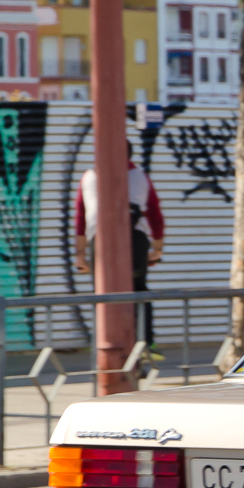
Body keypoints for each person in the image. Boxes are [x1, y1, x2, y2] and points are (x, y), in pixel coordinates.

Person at [73, 141, 165, 353]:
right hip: (137, 240)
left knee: (102, 293)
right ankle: (146, 342)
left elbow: (81, 218)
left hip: (100, 242)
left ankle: (105, 343)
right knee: (139, 290)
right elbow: (155, 215)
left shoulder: (89, 177)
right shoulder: (140, 176)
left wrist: (80, 256)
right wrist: (157, 249)